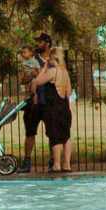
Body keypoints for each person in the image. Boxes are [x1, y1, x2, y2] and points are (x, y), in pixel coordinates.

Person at [30, 42, 75, 172]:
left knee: (55, 136)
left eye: (49, 57)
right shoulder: (65, 72)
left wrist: (43, 69)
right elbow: (68, 92)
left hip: (53, 109)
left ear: (53, 58)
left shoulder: (52, 71)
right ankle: (67, 164)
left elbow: (36, 82)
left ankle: (56, 164)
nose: (47, 59)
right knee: (66, 136)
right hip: (65, 108)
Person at [18, 44, 45, 167]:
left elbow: (38, 75)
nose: (23, 55)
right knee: (30, 132)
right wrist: (28, 76)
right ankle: (27, 160)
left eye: (25, 52)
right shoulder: (24, 64)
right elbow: (22, 79)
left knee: (52, 132)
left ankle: (53, 160)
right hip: (30, 102)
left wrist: (35, 75)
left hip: (44, 101)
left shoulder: (37, 62)